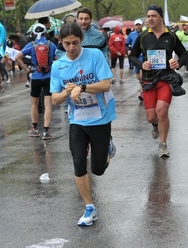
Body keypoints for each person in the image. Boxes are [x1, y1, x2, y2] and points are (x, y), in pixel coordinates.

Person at [50, 22, 116, 226]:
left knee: (98, 169)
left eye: (75, 43)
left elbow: (106, 84)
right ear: (61, 42)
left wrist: (82, 86)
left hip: (100, 118)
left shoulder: (94, 55)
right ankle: (89, 208)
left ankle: (107, 147)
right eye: (67, 43)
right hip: (77, 120)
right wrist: (68, 91)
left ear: (82, 41)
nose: (71, 47)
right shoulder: (58, 65)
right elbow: (55, 99)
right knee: (78, 162)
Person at [129, 5, 187, 157]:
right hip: (149, 80)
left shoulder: (171, 36)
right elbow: (132, 55)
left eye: (153, 16)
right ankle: (154, 125)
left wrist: (177, 63)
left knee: (162, 111)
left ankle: (163, 144)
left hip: (166, 79)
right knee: (151, 117)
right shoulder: (142, 37)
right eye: (148, 16)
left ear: (161, 18)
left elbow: (183, 54)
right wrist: (142, 64)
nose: (150, 19)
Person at [15, 23, 57, 140]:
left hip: (36, 77)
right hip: (49, 77)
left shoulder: (31, 45)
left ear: (33, 33)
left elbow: (17, 57)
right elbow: (58, 58)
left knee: (34, 104)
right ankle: (46, 131)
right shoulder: (51, 45)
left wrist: (27, 69)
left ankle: (34, 129)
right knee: (48, 105)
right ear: (45, 33)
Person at [126, 19, 145, 101]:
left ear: (142, 25)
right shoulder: (131, 34)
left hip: (144, 57)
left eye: (139, 25)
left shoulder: (145, 34)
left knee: (142, 75)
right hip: (135, 57)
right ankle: (143, 89)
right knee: (138, 76)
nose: (138, 26)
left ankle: (142, 92)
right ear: (134, 26)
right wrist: (128, 50)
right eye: (137, 25)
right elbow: (126, 44)